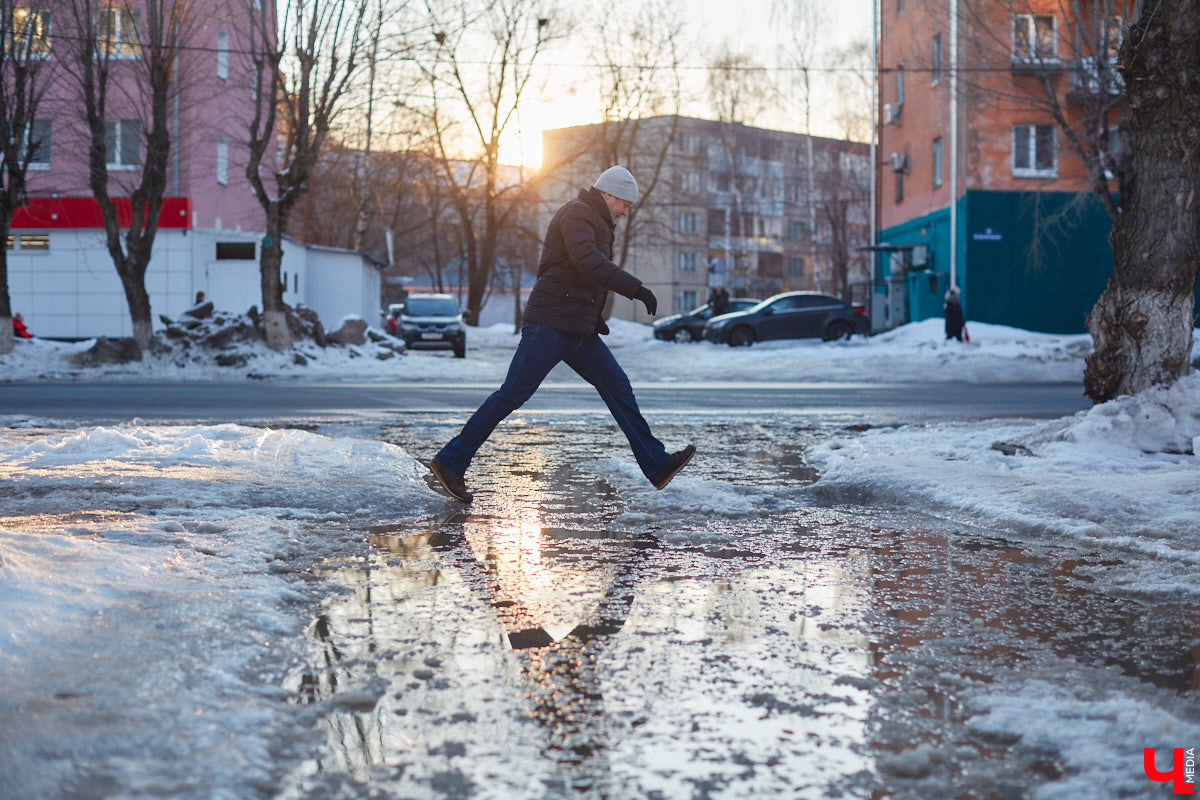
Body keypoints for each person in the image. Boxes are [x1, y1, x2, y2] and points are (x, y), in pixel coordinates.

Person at [429, 165, 695, 503]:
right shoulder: (577, 214)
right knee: (512, 394)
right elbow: (587, 262)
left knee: (618, 388)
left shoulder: (597, 220)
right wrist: (636, 288)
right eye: (625, 204)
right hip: (550, 325)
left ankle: (656, 464)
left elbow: (584, 274)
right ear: (608, 193)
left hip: (579, 330)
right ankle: (451, 462)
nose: (626, 212)